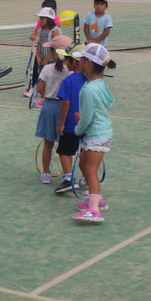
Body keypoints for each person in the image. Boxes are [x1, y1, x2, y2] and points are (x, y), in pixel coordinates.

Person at [71, 42, 115, 222]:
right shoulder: (99, 84)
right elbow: (108, 102)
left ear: (88, 63)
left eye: (82, 59)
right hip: (99, 132)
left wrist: (78, 129)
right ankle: (96, 199)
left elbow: (87, 119)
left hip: (97, 135)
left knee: (90, 170)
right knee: (84, 165)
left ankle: (95, 209)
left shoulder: (89, 89)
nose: (79, 61)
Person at [34, 47, 73, 184]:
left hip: (49, 107)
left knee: (48, 143)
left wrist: (48, 95)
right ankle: (68, 175)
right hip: (65, 107)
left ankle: (45, 173)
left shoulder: (47, 68)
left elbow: (40, 88)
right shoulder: (71, 71)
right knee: (65, 145)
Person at [52, 45, 88, 194]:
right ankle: (86, 182)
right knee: (84, 154)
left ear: (74, 62)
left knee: (64, 151)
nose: (65, 63)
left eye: (67, 60)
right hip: (86, 125)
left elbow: (66, 103)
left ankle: (68, 179)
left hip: (70, 125)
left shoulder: (68, 80)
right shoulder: (89, 80)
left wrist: (61, 124)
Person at [22, 7, 61, 98]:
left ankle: (49, 96)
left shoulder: (54, 31)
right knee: (42, 79)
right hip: (42, 59)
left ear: (49, 19)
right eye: (40, 18)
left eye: (43, 18)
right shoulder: (40, 30)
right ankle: (43, 95)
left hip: (51, 60)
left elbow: (54, 46)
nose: (41, 20)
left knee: (51, 79)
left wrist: (47, 58)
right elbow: (39, 43)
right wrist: (38, 57)